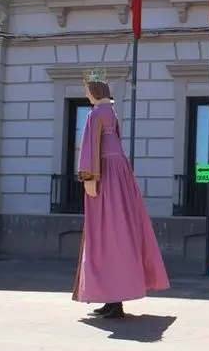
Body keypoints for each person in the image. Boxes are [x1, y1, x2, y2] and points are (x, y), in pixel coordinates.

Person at [73, 68, 170, 318]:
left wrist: (88, 177)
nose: (86, 95)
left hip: (104, 177)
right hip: (119, 175)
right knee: (118, 234)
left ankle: (113, 300)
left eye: (87, 90)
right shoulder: (112, 112)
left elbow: (89, 147)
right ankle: (112, 299)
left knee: (106, 236)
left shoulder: (95, 114)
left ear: (94, 91)